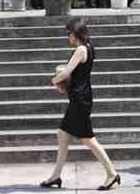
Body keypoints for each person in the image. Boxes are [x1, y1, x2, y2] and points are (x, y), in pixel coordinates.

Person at [40, 18, 121, 191]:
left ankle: (112, 174)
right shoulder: (90, 48)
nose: (67, 36)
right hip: (82, 96)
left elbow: (67, 72)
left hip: (80, 99)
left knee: (88, 139)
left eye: (69, 33)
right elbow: (76, 75)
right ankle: (55, 176)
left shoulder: (80, 49)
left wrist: (54, 80)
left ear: (75, 34)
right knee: (63, 135)